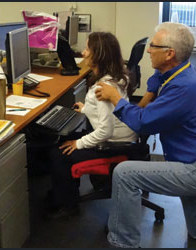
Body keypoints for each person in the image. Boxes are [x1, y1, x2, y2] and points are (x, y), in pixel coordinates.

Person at [95, 22, 196, 248]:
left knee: (125, 174)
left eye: (153, 45)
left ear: (169, 53)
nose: (148, 50)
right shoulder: (178, 72)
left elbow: (143, 123)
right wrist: (147, 95)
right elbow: (157, 78)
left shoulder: (184, 87)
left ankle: (123, 243)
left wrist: (116, 98)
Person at [45, 32, 137, 219]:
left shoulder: (101, 88)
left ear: (99, 55)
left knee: (59, 152)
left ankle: (67, 204)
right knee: (65, 141)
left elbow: (105, 130)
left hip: (113, 142)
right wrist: (87, 109)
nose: (84, 53)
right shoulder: (114, 78)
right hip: (125, 136)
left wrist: (78, 144)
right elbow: (108, 112)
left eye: (88, 49)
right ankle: (64, 192)